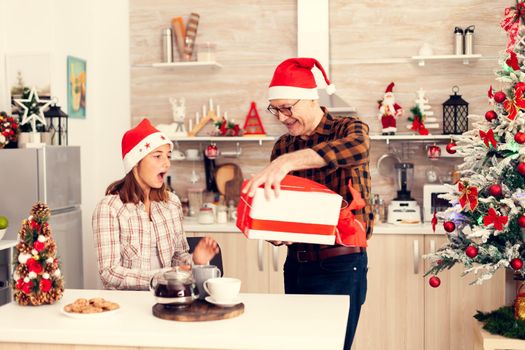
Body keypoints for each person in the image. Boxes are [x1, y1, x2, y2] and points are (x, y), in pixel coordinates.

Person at [243, 57, 373, 349]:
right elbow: (284, 206)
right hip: (297, 265)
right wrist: (275, 232)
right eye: (275, 109)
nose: (281, 117)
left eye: (287, 107)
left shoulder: (348, 128)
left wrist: (288, 162)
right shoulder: (283, 144)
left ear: (312, 99)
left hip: (340, 263)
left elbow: (357, 149)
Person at [92, 118, 219, 290]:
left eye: (168, 156)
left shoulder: (171, 203)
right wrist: (160, 278)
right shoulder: (109, 208)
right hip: (127, 305)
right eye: (157, 156)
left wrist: (195, 260)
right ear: (136, 162)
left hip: (170, 297)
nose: (167, 163)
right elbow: (109, 273)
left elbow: (178, 259)